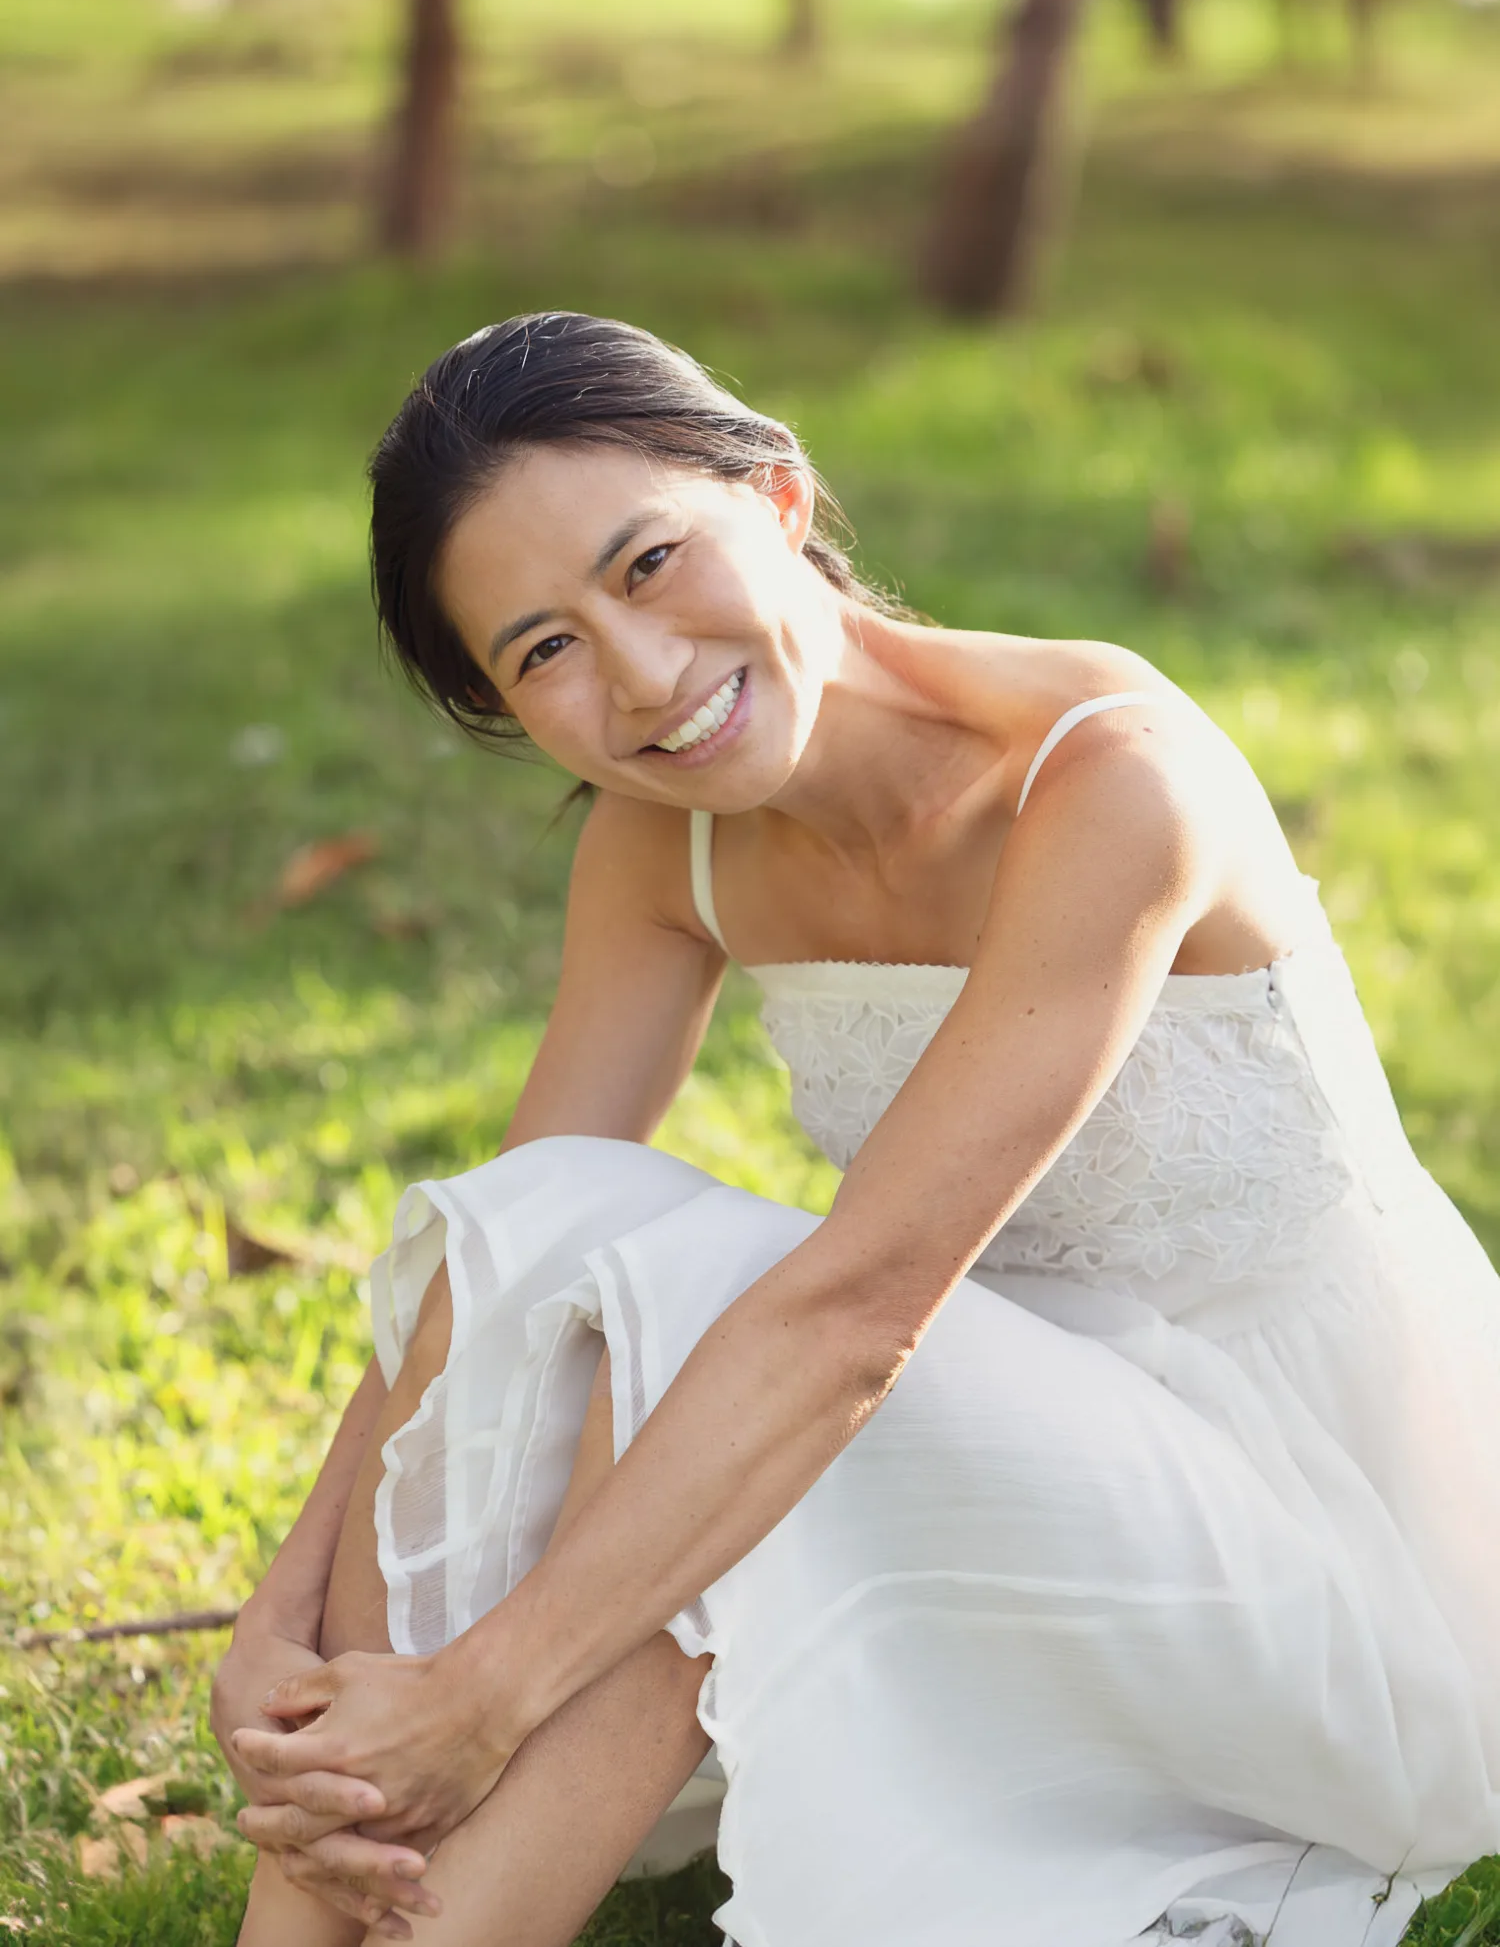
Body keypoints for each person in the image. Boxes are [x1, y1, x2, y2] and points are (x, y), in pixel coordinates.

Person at [212, 311, 1500, 1947]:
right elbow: (500, 1252)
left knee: (735, 1345)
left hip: (1346, 1580)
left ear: (781, 496)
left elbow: (861, 1318)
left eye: (651, 562)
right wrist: (285, 1603)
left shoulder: (1115, 779)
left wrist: (488, 1690)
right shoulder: (659, 844)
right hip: (1021, 1470)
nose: (644, 675)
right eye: (544, 651)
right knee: (571, 1225)